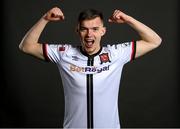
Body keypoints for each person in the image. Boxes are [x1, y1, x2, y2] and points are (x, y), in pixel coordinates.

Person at [19, 6, 162, 129]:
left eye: (95, 29)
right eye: (84, 29)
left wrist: (128, 20)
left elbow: (154, 41)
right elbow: (26, 46)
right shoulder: (64, 54)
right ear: (77, 31)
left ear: (103, 31)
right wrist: (45, 18)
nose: (89, 34)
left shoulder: (116, 54)